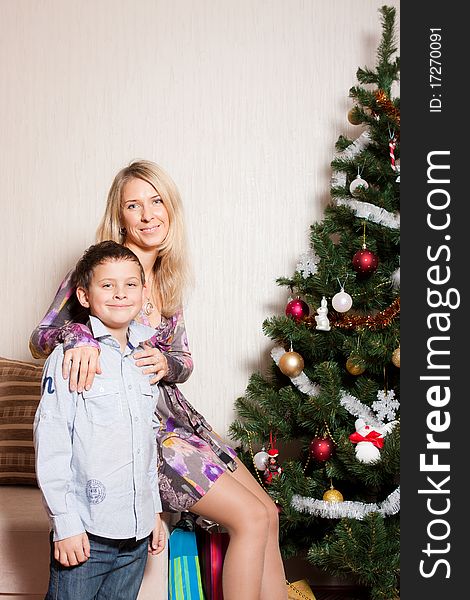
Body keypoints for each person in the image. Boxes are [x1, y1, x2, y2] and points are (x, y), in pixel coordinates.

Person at [30, 159, 288, 600]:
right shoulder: (103, 270)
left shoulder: (163, 281)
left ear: (171, 208)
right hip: (150, 437)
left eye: (157, 201)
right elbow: (41, 337)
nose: (149, 215)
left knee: (268, 512)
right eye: (135, 205)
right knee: (248, 518)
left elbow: (184, 361)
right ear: (120, 214)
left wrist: (167, 365)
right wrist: (79, 338)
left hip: (180, 421)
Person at [33, 241, 166, 600]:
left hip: (136, 535)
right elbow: (53, 442)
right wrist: (65, 525)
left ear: (143, 291)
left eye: (130, 284)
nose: (120, 294)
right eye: (107, 285)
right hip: (87, 535)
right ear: (84, 295)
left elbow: (146, 442)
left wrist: (152, 510)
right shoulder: (72, 357)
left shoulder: (146, 358)